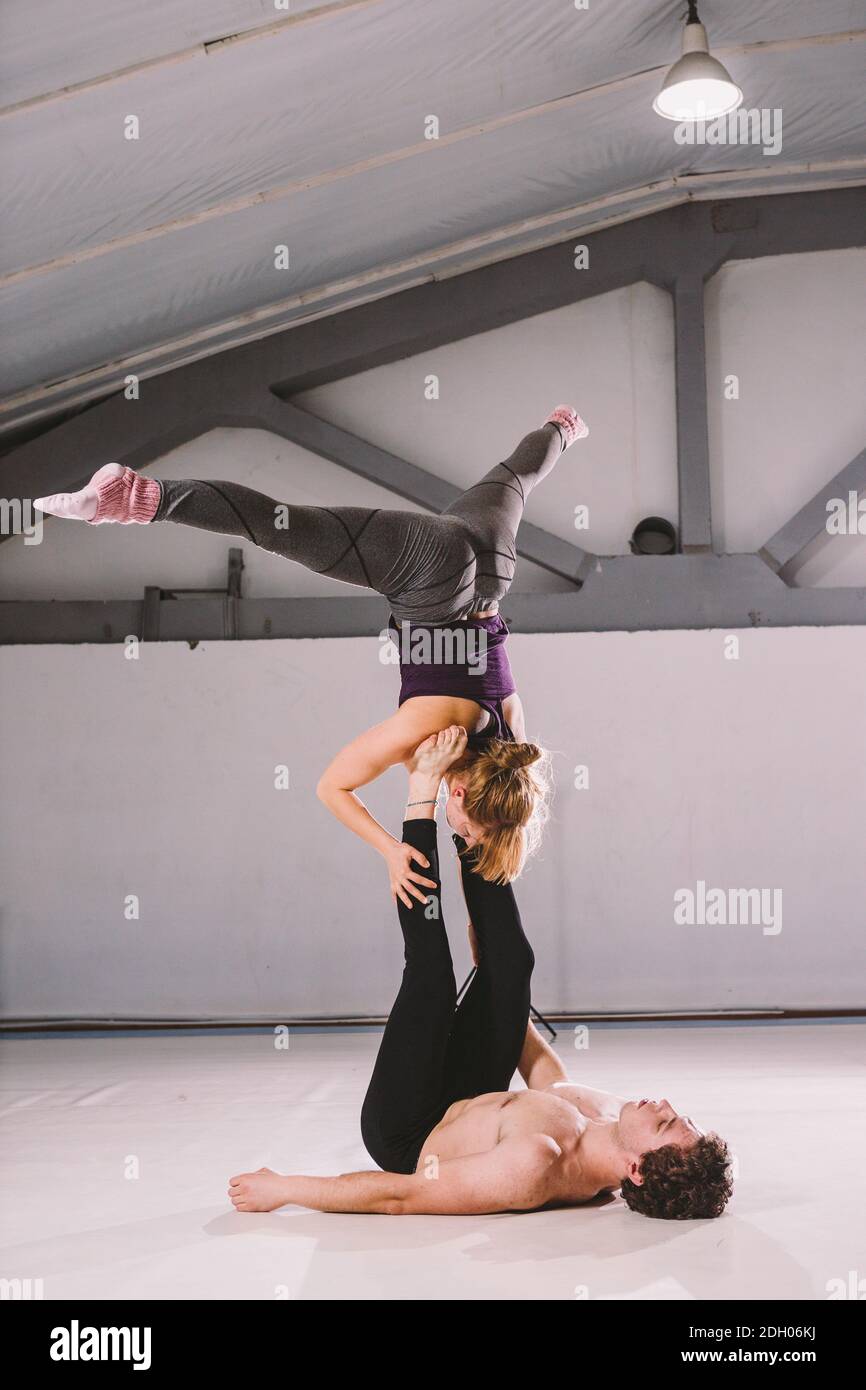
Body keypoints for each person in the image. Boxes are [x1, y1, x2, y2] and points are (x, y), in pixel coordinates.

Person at [35, 407, 588, 895]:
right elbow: (332, 787)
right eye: (461, 825)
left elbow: (488, 702)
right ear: (463, 791)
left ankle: (562, 427)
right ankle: (133, 496)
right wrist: (391, 849)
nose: (451, 822)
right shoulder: (423, 737)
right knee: (279, 526)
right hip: (429, 572)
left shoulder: (512, 735)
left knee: (515, 479)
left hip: (490, 570)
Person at [228, 728, 733, 1220]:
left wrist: (285, 1188)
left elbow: (401, 1197)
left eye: (665, 1121)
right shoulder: (614, 1119)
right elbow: (549, 1083)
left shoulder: (533, 1169)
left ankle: (423, 792)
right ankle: (469, 809)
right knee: (513, 965)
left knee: (432, 980)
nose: (662, 1103)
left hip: (409, 1127)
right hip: (468, 1096)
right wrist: (499, 990)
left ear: (637, 1171)